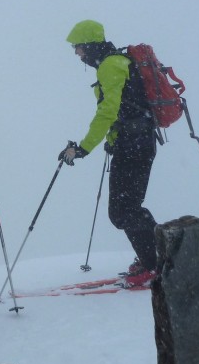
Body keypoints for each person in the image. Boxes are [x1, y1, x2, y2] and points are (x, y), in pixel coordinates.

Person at [59, 19, 160, 288]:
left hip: (135, 145)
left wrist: (83, 148)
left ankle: (155, 264)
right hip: (135, 142)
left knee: (123, 211)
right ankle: (155, 257)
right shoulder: (115, 62)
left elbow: (108, 111)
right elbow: (127, 109)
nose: (77, 54)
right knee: (127, 209)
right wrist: (113, 138)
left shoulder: (111, 65)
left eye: (78, 47)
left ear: (90, 45)